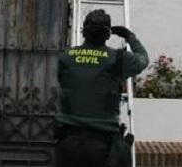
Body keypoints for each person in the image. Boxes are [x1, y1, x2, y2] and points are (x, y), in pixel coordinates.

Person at [55, 9, 149, 167]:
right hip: (102, 147)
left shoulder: (65, 57)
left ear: (84, 32)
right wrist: (130, 37)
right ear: (107, 34)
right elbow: (143, 59)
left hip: (67, 144)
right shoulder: (119, 59)